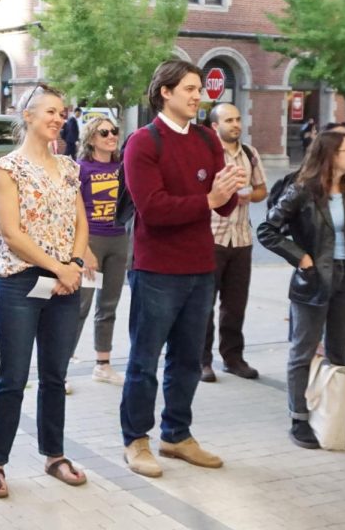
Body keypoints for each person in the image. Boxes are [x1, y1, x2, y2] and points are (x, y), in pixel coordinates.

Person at [120, 60, 244, 478]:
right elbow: (152, 210)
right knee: (144, 360)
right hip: (156, 270)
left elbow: (223, 204)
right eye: (189, 89)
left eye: (199, 89)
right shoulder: (142, 142)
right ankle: (136, 439)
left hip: (199, 266)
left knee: (188, 360)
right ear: (165, 93)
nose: (198, 96)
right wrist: (209, 199)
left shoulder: (208, 138)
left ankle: (176, 435)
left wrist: (229, 189)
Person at [0, 83, 94, 499]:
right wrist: (59, 268)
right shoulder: (7, 169)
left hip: (64, 281)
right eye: (49, 111)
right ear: (27, 116)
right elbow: (10, 233)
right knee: (12, 377)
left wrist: (76, 265)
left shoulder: (68, 167)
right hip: (19, 283)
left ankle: (55, 455)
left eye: (62, 112)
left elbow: (81, 223)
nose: (57, 118)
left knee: (54, 375)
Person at [257, 129, 345, 449]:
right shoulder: (302, 190)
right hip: (313, 279)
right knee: (302, 351)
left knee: (339, 353)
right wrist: (302, 259)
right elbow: (267, 230)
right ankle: (299, 418)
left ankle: (336, 416)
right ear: (331, 155)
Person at [201, 103, 267, 382]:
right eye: (229, 120)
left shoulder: (250, 154)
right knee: (204, 305)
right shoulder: (205, 155)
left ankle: (233, 357)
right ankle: (202, 360)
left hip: (241, 239)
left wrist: (249, 194)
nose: (236, 124)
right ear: (215, 126)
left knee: (235, 305)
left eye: (238, 119)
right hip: (211, 238)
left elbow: (263, 190)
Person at [70, 114, 127, 386]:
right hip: (91, 241)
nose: (112, 136)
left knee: (109, 305)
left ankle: (102, 365)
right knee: (80, 305)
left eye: (114, 131)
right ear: (91, 138)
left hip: (118, 240)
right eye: (104, 133)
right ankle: (61, 369)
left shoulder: (123, 168)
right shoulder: (81, 169)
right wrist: (84, 250)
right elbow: (72, 213)